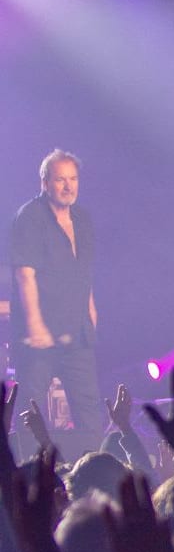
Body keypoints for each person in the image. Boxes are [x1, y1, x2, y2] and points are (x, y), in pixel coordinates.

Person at [10, 149, 104, 443]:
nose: (68, 186)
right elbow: (25, 273)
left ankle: (92, 474)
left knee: (89, 410)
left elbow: (83, 272)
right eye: (60, 179)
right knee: (32, 411)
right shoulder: (30, 217)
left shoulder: (82, 219)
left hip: (78, 333)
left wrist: (91, 309)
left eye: (73, 179)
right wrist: (36, 326)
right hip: (42, 335)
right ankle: (28, 479)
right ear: (45, 183)